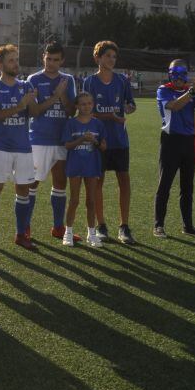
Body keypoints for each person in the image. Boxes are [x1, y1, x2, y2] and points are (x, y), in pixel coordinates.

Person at [83, 40, 137, 244]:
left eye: (114, 57)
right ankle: (101, 225)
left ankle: (124, 226)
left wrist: (130, 108)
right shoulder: (89, 82)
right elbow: (86, 111)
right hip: (98, 141)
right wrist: (111, 117)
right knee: (98, 181)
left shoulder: (122, 81)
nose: (112, 60)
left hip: (120, 140)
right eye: (108, 56)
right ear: (98, 58)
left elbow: (130, 104)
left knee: (124, 180)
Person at [0, 43, 37, 250]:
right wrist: (20, 105)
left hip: (24, 147)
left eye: (16, 59)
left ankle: (21, 234)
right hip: (1, 146)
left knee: (23, 190)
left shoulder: (25, 86)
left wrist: (33, 102)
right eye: (11, 60)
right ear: (0, 64)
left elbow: (34, 113)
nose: (16, 64)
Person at [154, 60, 195, 238]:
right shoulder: (164, 90)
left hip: (188, 142)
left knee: (187, 187)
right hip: (171, 141)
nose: (179, 77)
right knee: (165, 185)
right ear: (170, 73)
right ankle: (159, 225)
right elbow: (175, 105)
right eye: (175, 72)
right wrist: (193, 91)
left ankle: (188, 226)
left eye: (182, 72)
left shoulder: (190, 91)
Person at [27, 41, 78, 243]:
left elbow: (70, 111)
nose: (51, 63)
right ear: (43, 58)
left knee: (59, 183)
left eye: (56, 60)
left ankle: (58, 227)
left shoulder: (68, 80)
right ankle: (24, 227)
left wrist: (63, 94)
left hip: (62, 139)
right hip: (39, 139)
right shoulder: (34, 79)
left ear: (62, 60)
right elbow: (35, 112)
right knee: (32, 183)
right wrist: (55, 95)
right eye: (48, 59)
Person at [61, 92, 107, 247]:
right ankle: (68, 232)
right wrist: (81, 139)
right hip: (75, 165)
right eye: (82, 104)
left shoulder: (98, 124)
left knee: (91, 201)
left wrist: (94, 140)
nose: (86, 106)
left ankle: (92, 234)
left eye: (89, 103)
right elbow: (67, 145)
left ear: (93, 104)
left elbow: (103, 146)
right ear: (77, 106)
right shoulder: (71, 123)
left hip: (92, 166)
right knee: (74, 200)